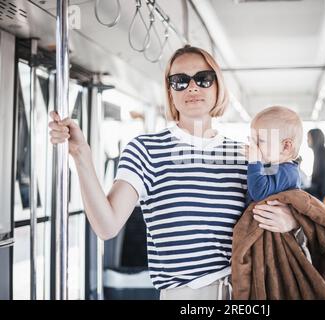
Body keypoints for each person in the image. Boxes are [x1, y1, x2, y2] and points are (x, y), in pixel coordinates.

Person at [48, 45, 299, 300]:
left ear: (217, 86)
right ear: (170, 91)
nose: (192, 87)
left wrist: (291, 222)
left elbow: (292, 213)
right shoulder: (145, 150)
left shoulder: (248, 155)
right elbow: (106, 226)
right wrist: (81, 156)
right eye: (180, 81)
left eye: (203, 79)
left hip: (249, 290)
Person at [245, 106, 303, 205]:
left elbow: (259, 192)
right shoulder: (271, 166)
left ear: (286, 146)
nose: (254, 146)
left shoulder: (289, 173)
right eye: (253, 140)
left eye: (261, 140)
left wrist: (254, 161)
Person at [304, 128, 325, 200]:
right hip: (319, 192)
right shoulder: (319, 154)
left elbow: (322, 183)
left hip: (321, 195)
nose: (307, 140)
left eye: (309, 138)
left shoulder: (322, 155)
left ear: (315, 138)